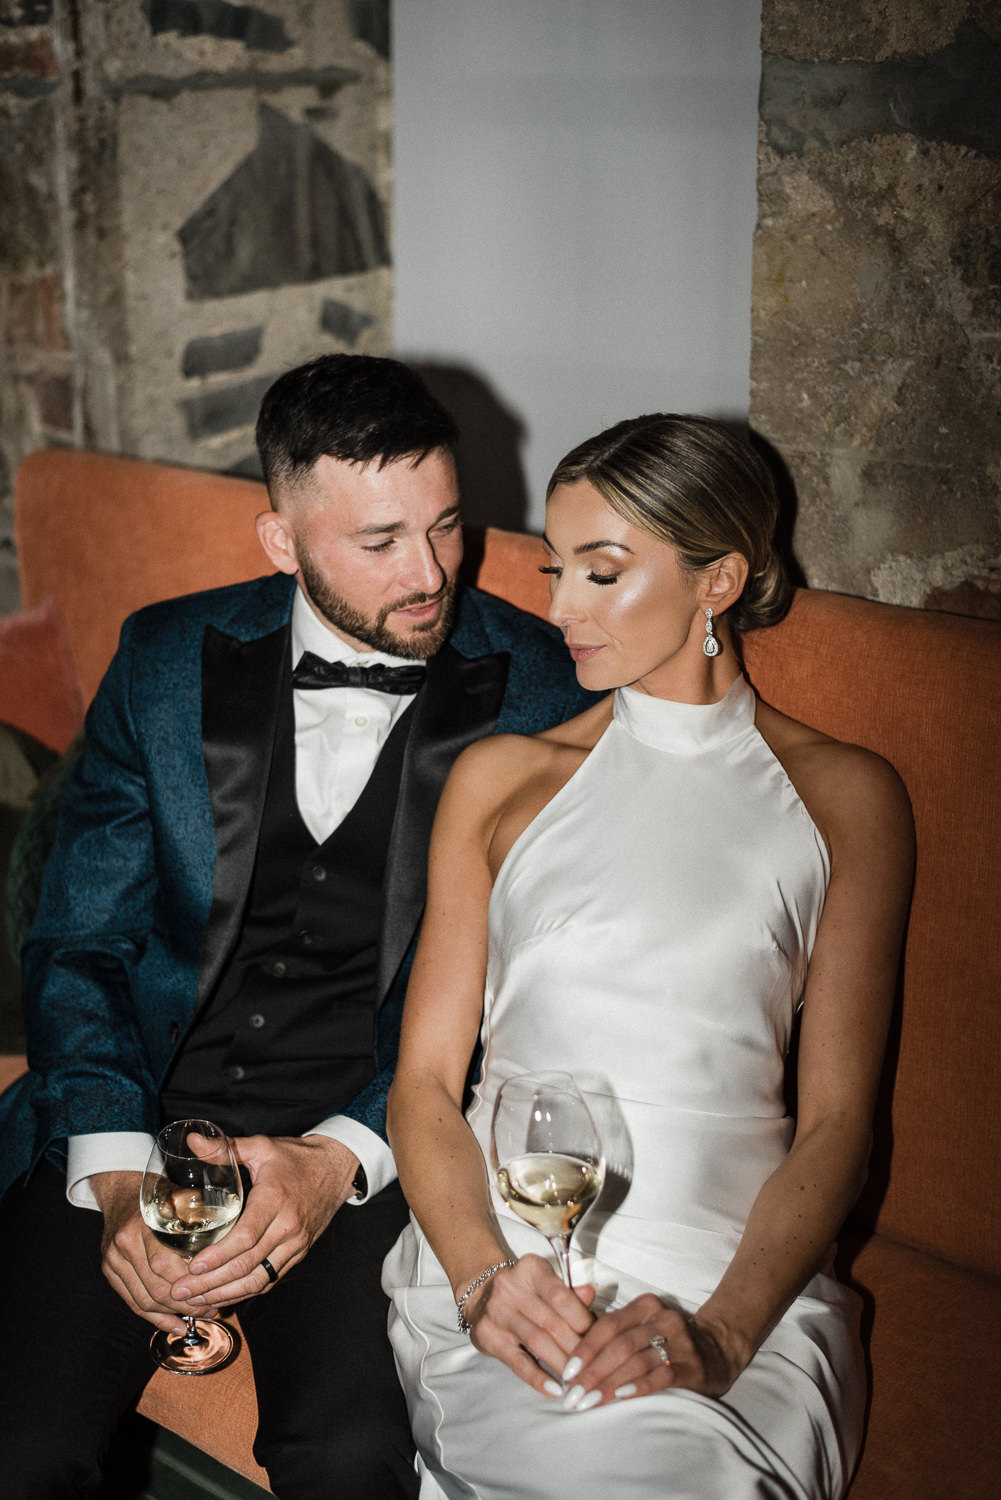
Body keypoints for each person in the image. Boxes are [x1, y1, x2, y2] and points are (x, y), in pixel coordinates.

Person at [0, 353, 595, 1499]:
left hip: (372, 1138)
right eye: (377, 542)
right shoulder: (165, 658)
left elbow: (521, 992)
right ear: (281, 542)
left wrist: (338, 1160)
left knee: (351, 1462)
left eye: (446, 526)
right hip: (142, 1109)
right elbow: (78, 945)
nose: (429, 574)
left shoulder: (540, 688)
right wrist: (121, 1181)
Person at [383, 414, 915, 1499]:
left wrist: (719, 1336)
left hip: (741, 1279)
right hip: (512, 1253)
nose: (557, 607)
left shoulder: (845, 797)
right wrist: (485, 1281)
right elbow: (426, 1087)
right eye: (554, 568)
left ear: (717, 580)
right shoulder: (501, 779)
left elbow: (835, 1123)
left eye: (602, 572)